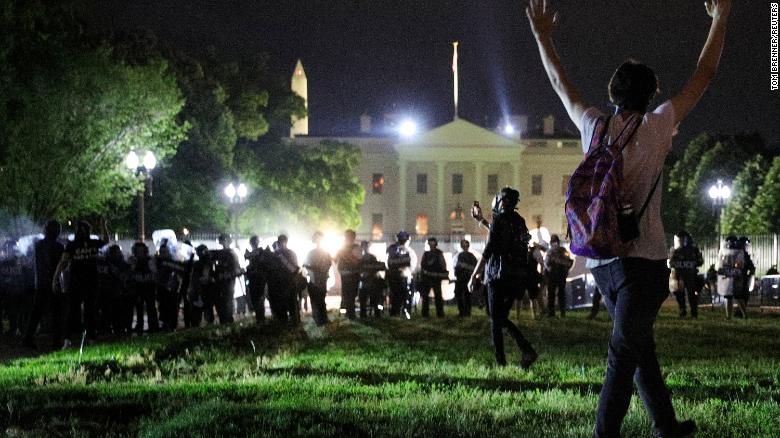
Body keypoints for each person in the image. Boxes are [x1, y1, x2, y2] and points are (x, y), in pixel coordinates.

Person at [527, 0, 729, 435]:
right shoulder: (658, 127)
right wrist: (721, 19)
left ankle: (667, 426)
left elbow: (560, 83)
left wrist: (543, 36)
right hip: (643, 262)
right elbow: (704, 75)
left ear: (613, 93)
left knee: (637, 346)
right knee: (625, 352)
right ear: (651, 94)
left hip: (600, 259)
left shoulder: (593, 127)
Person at [470, 186, 537, 369]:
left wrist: (474, 274)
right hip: (516, 277)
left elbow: (490, 247)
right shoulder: (519, 221)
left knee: (495, 319)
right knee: (500, 318)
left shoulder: (499, 219)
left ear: (503, 201)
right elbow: (502, 235)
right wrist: (482, 220)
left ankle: (503, 361)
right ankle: (526, 351)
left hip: (497, 275)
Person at [52, 221, 106, 345]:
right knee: (83, 310)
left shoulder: (75, 244)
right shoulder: (78, 244)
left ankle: (76, 339)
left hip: (83, 282)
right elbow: (63, 262)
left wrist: (55, 278)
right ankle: (79, 338)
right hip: (83, 282)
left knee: (83, 310)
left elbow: (63, 262)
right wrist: (103, 225)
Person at [24, 221, 65, 349]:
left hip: (41, 283)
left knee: (37, 312)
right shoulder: (58, 246)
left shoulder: (38, 244)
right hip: (53, 283)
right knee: (57, 313)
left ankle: (28, 339)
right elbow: (59, 265)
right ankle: (57, 342)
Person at [668, 231, 704, 318]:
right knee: (679, 294)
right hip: (678, 275)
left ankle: (694, 313)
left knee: (692, 294)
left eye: (682, 239)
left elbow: (700, 261)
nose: (680, 241)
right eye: (679, 239)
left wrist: (692, 263)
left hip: (690, 275)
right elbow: (671, 263)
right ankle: (682, 310)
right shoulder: (675, 251)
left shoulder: (694, 250)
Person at [211, 234, 242, 324]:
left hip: (228, 283)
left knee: (227, 302)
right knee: (220, 303)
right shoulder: (220, 253)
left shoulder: (231, 253)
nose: (222, 242)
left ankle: (227, 321)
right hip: (219, 283)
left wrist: (225, 276)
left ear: (228, 241)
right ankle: (224, 321)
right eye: (221, 240)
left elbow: (237, 270)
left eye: (224, 240)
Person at [127, 241, 158, 334]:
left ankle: (153, 326)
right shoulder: (133, 260)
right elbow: (130, 271)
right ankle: (139, 326)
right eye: (138, 250)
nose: (140, 252)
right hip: (138, 286)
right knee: (139, 307)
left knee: (150, 307)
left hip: (148, 286)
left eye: (142, 250)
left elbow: (154, 271)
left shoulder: (150, 260)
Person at [386, 231, 417, 319]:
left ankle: (398, 312)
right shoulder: (396, 250)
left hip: (400, 276)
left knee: (399, 296)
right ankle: (402, 312)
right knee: (403, 296)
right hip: (401, 276)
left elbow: (388, 263)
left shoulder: (392, 249)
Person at [304, 232, 332, 325]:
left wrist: (315, 268)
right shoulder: (323, 253)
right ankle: (321, 318)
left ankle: (319, 318)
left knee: (318, 299)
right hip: (318, 279)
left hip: (316, 279)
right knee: (319, 299)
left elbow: (306, 265)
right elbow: (328, 264)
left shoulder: (313, 253)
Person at [274, 235, 302, 323]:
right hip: (280, 283)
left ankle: (294, 321)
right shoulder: (276, 254)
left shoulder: (290, 253)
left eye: (282, 242)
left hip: (289, 282)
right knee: (282, 304)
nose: (281, 244)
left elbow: (294, 269)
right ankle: (285, 321)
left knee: (292, 303)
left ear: (286, 242)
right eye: (280, 242)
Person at [544, 234, 573, 318]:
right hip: (558, 275)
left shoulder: (552, 251)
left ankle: (553, 313)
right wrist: (566, 271)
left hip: (555, 275)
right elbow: (568, 263)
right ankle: (560, 313)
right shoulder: (562, 250)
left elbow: (546, 263)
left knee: (554, 294)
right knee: (559, 294)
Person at [335, 230, 362, 319]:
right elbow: (336, 260)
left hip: (353, 274)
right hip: (345, 274)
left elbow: (357, 261)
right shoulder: (341, 248)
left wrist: (345, 254)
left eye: (349, 236)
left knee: (352, 294)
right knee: (346, 294)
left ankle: (351, 313)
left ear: (353, 237)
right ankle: (349, 313)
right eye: (346, 236)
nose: (347, 238)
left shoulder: (356, 248)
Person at [419, 237, 448, 318]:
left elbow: (443, 265)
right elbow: (423, 265)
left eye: (432, 243)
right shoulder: (427, 254)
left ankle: (439, 313)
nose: (431, 245)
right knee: (426, 296)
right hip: (428, 278)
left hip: (435, 277)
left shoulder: (438, 253)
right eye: (430, 243)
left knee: (438, 296)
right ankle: (426, 314)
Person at [187, 244, 213, 327]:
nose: (197, 253)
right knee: (199, 312)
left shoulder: (205, 263)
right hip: (200, 290)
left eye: (198, 251)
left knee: (202, 312)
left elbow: (204, 276)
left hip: (203, 290)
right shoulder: (200, 263)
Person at [358, 240, 386, 318]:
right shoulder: (360, 257)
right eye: (364, 246)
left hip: (371, 281)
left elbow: (377, 267)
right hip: (364, 281)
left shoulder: (371, 257)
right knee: (364, 299)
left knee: (373, 298)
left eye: (366, 246)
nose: (365, 248)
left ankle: (376, 313)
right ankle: (364, 314)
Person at [245, 236, 270, 323]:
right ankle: (259, 318)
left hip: (260, 279)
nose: (254, 244)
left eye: (255, 242)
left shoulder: (260, 251)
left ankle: (261, 318)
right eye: (253, 242)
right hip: (253, 279)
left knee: (259, 298)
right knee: (255, 299)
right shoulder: (254, 253)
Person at [452, 239, 478, 317]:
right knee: (459, 294)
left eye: (465, 245)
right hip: (460, 278)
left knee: (467, 295)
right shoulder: (459, 255)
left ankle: (467, 312)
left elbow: (474, 267)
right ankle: (462, 312)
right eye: (463, 245)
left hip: (467, 278)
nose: (464, 247)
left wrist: (464, 266)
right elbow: (456, 266)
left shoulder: (471, 256)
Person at [734, 236, 755, 318]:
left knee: (742, 296)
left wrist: (751, 274)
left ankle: (739, 312)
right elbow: (751, 267)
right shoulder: (741, 254)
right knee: (741, 296)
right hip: (740, 277)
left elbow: (751, 267)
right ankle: (741, 313)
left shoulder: (743, 254)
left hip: (742, 277)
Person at [524, 241, 546, 319]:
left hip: (532, 276)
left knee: (535, 295)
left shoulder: (535, 251)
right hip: (528, 276)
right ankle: (537, 313)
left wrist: (541, 273)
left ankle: (539, 312)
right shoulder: (524, 250)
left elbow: (542, 263)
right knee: (534, 295)